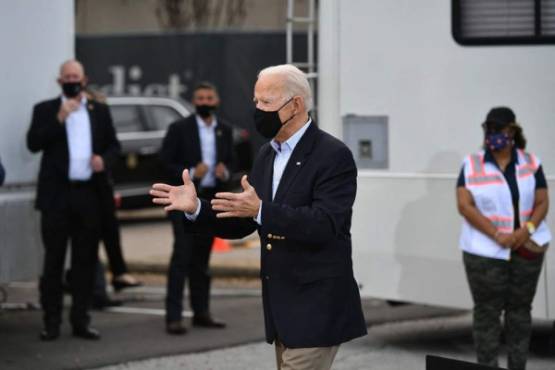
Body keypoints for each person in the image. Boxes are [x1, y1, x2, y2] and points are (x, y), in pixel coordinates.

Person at [151, 64, 367, 369]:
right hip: (282, 311)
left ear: (296, 105)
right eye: (256, 102)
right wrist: (197, 208)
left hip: (317, 307)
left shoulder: (332, 155)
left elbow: (326, 223)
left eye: (266, 103)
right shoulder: (268, 153)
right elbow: (243, 220)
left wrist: (262, 211)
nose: (258, 110)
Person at [26, 60, 120, 341]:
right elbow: (33, 143)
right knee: (53, 261)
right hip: (56, 198)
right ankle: (51, 322)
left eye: (75, 76)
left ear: (84, 79)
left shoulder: (99, 110)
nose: (71, 80)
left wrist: (104, 160)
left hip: (88, 195)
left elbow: (114, 145)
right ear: (59, 81)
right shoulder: (45, 109)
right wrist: (60, 118)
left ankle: (81, 320)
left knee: (85, 261)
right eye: (66, 76)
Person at [456, 107, 551, 370]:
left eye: (499, 129)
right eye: (489, 129)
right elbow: (465, 206)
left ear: (512, 131)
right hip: (484, 253)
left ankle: (517, 366)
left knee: (520, 313)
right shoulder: (472, 163)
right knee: (487, 313)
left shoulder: (531, 162)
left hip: (525, 249)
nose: (494, 135)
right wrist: (497, 234)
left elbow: (543, 201)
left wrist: (526, 229)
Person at [159, 82, 233, 334]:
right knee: (181, 256)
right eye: (200, 98)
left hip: (210, 201)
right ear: (194, 101)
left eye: (209, 97)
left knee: (202, 259)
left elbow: (234, 162)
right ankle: (174, 316)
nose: (204, 101)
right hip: (184, 200)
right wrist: (191, 172)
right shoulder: (179, 128)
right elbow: (164, 162)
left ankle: (202, 313)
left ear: (217, 100)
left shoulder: (224, 129)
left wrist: (225, 172)